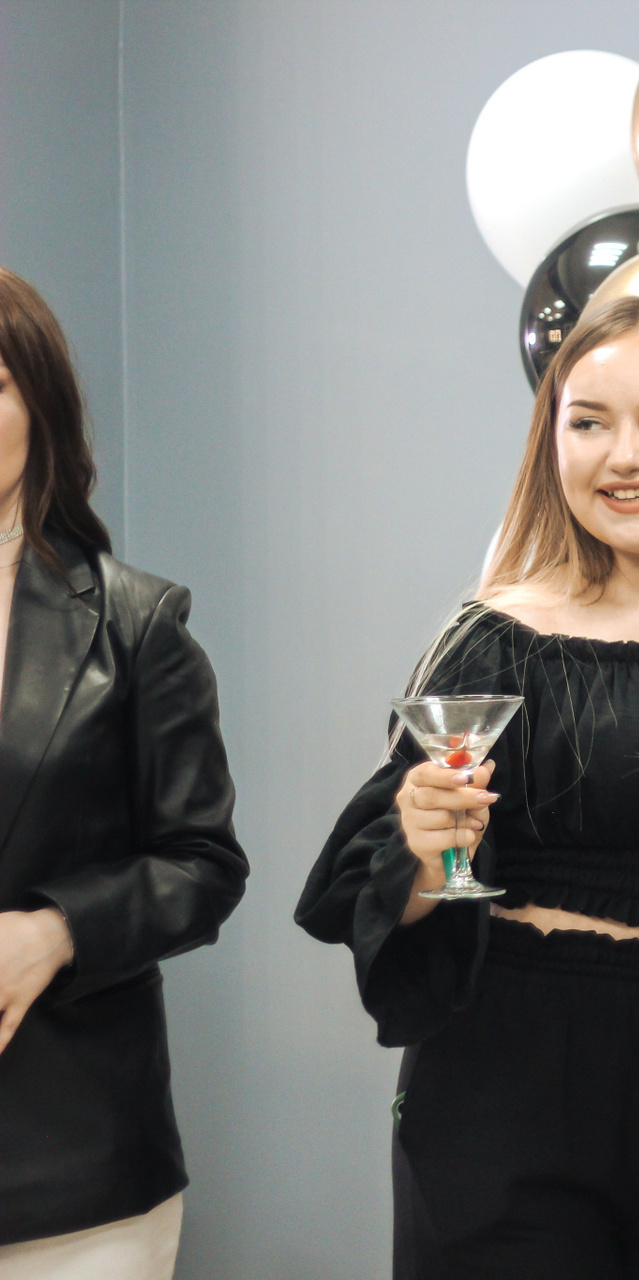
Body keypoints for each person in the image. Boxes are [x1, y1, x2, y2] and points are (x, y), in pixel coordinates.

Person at [297, 293, 639, 1280]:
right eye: (589, 423)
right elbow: (391, 898)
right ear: (552, 443)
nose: (624, 456)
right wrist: (421, 847)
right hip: (510, 1082)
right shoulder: (493, 636)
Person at [0, 268, 247, 1276]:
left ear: (40, 406)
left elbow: (202, 866)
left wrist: (54, 931)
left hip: (74, 1175)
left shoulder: (138, 622)